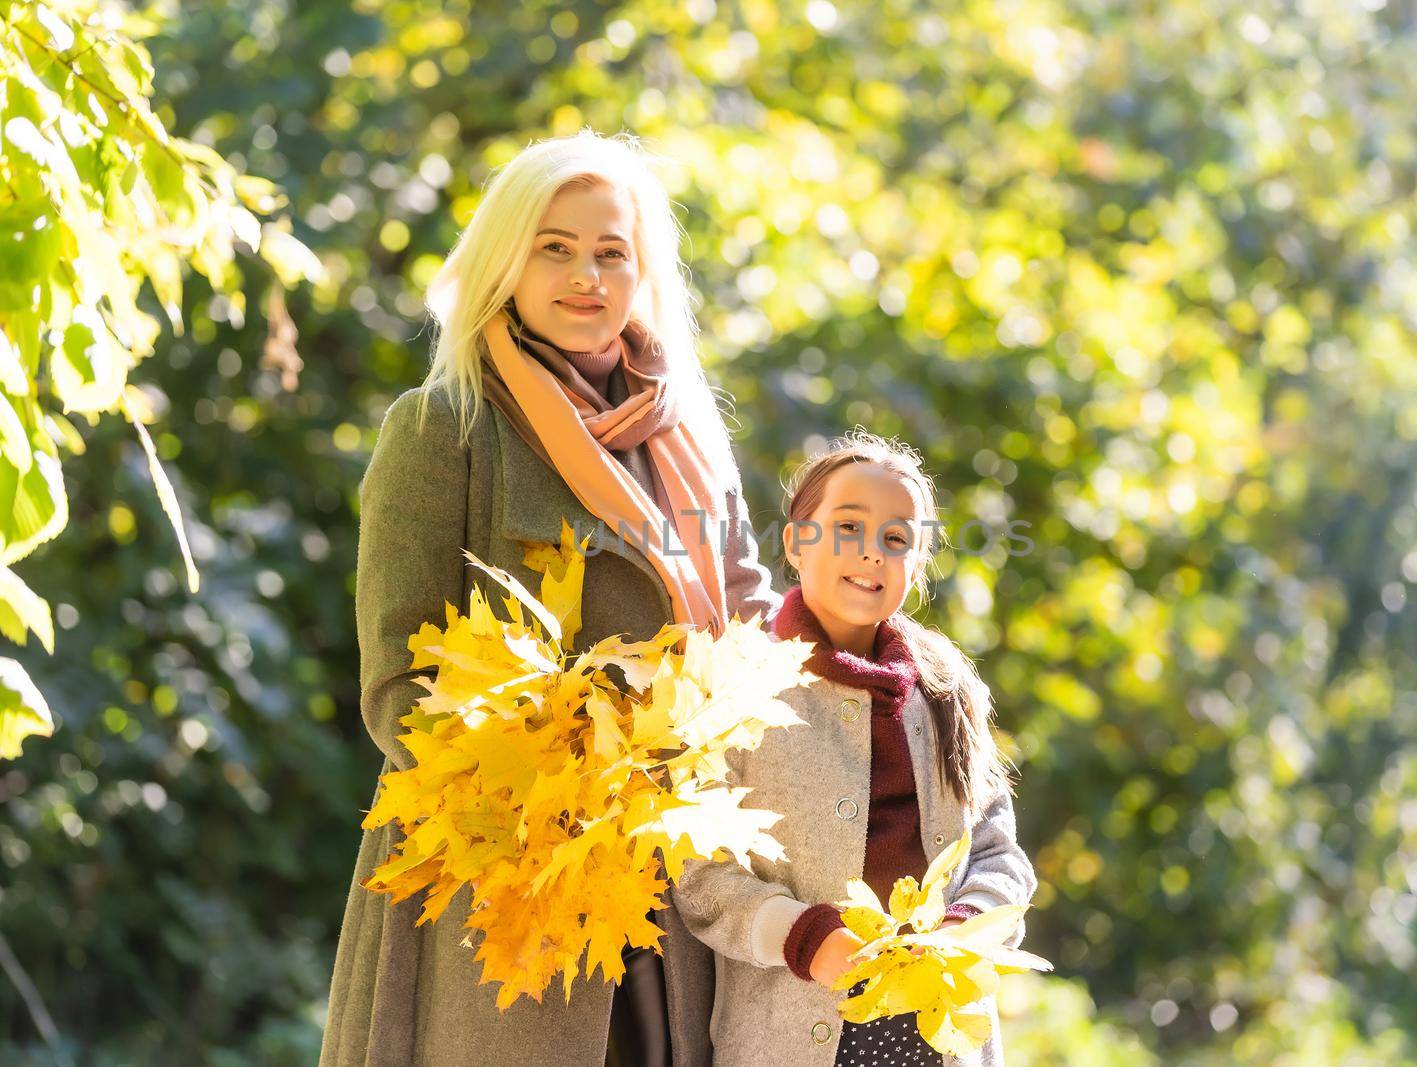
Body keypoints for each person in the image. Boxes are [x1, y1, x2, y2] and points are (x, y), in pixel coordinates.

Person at [319, 129, 782, 1067]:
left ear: (642, 270)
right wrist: (553, 782)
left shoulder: (687, 437)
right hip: (500, 885)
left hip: (676, 874)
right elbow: (395, 678)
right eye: (555, 247)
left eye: (612, 251)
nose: (586, 275)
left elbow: (756, 629)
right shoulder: (442, 427)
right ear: (507, 262)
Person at [672, 431, 1038, 1066]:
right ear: (795, 541)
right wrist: (804, 937)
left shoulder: (945, 690)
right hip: (788, 1027)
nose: (872, 553)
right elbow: (701, 874)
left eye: (897, 540)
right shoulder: (735, 685)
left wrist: (965, 927)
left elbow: (997, 849)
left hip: (936, 1034)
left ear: (915, 568)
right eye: (848, 527)